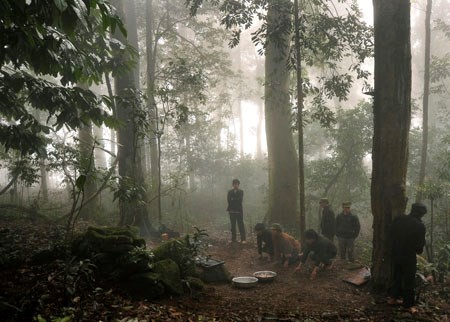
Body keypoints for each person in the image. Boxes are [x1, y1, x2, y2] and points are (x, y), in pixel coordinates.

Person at [388, 203, 427, 313]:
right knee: (409, 279)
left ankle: (393, 298)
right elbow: (419, 246)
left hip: (395, 253)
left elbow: (390, 233)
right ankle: (409, 305)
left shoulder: (399, 219)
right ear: (421, 214)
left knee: (397, 275)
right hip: (408, 256)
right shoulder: (419, 225)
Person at [226, 179, 246, 243]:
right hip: (231, 211)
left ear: (238, 185)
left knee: (241, 224)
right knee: (233, 225)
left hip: (239, 211)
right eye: (234, 184)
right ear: (233, 185)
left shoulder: (241, 191)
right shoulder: (229, 192)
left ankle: (243, 239)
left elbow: (240, 200)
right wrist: (235, 200)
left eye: (237, 184)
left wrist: (233, 199)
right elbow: (228, 200)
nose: (236, 185)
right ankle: (233, 239)